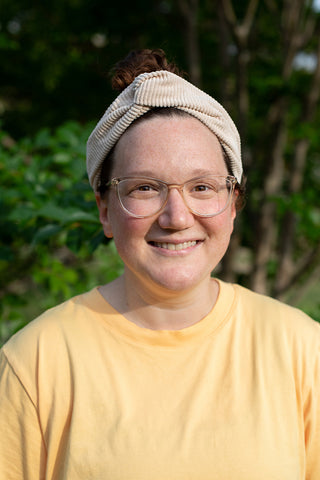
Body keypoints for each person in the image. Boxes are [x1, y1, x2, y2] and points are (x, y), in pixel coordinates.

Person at [0, 48, 319, 480]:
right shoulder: (35, 364)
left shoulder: (302, 351)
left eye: (202, 186)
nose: (177, 216)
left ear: (233, 204)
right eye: (146, 188)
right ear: (104, 209)